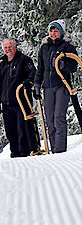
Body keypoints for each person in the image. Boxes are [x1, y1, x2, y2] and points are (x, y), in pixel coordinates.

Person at [35, 20, 77, 153]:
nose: (53, 33)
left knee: (58, 117)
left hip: (62, 85)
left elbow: (74, 66)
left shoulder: (67, 47)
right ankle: (54, 149)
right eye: (51, 31)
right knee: (49, 119)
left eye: (56, 31)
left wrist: (64, 65)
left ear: (61, 32)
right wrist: (37, 84)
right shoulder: (44, 48)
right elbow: (40, 68)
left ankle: (59, 150)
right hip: (48, 86)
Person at [0, 38, 38, 157]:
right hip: (6, 103)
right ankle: (14, 153)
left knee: (22, 130)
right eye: (5, 48)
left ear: (15, 47)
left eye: (10, 47)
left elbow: (32, 72)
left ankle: (25, 153)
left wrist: (29, 81)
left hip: (20, 101)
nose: (8, 50)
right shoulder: (3, 64)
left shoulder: (23, 60)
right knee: (10, 131)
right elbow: (0, 83)